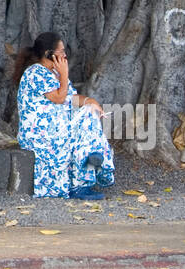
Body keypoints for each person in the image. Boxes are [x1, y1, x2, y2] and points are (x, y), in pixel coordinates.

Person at [14, 32, 115, 199]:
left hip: (58, 128)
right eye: (61, 51)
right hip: (40, 135)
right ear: (49, 54)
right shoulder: (35, 73)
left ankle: (89, 166)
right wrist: (65, 73)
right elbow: (60, 98)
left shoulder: (56, 74)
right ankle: (87, 172)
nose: (65, 55)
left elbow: (71, 98)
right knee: (86, 128)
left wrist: (90, 101)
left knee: (89, 113)